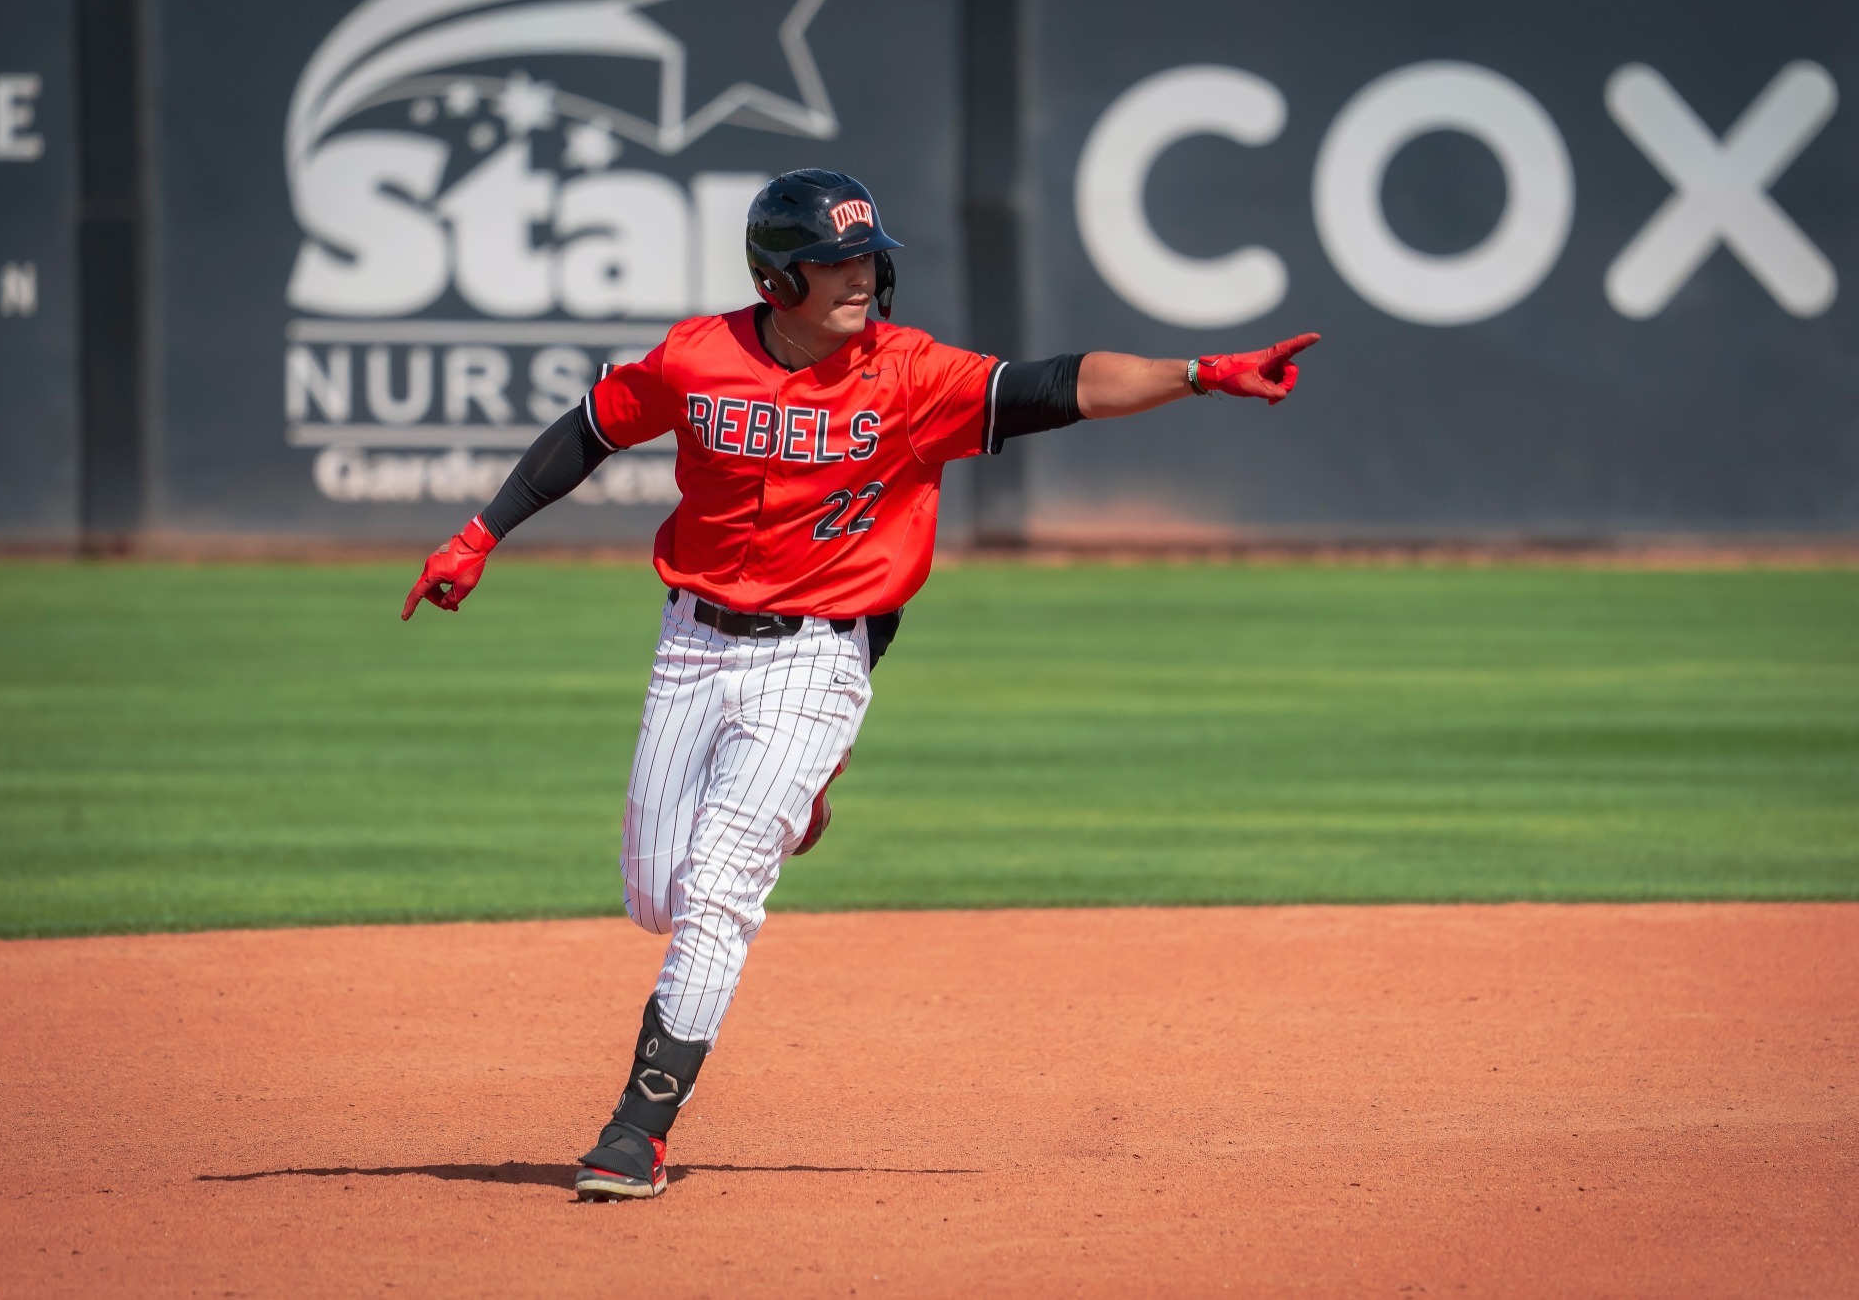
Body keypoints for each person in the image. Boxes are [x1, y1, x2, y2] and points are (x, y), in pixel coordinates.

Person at [401, 168, 1318, 1201]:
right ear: (775, 277)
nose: (859, 276)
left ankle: (635, 1130)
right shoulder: (696, 358)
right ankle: (798, 791)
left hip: (819, 652)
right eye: (832, 261)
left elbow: (1059, 384)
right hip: (692, 644)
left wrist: (1198, 371)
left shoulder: (909, 372)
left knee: (717, 893)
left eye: (865, 257)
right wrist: (479, 534)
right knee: (655, 895)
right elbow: (589, 429)